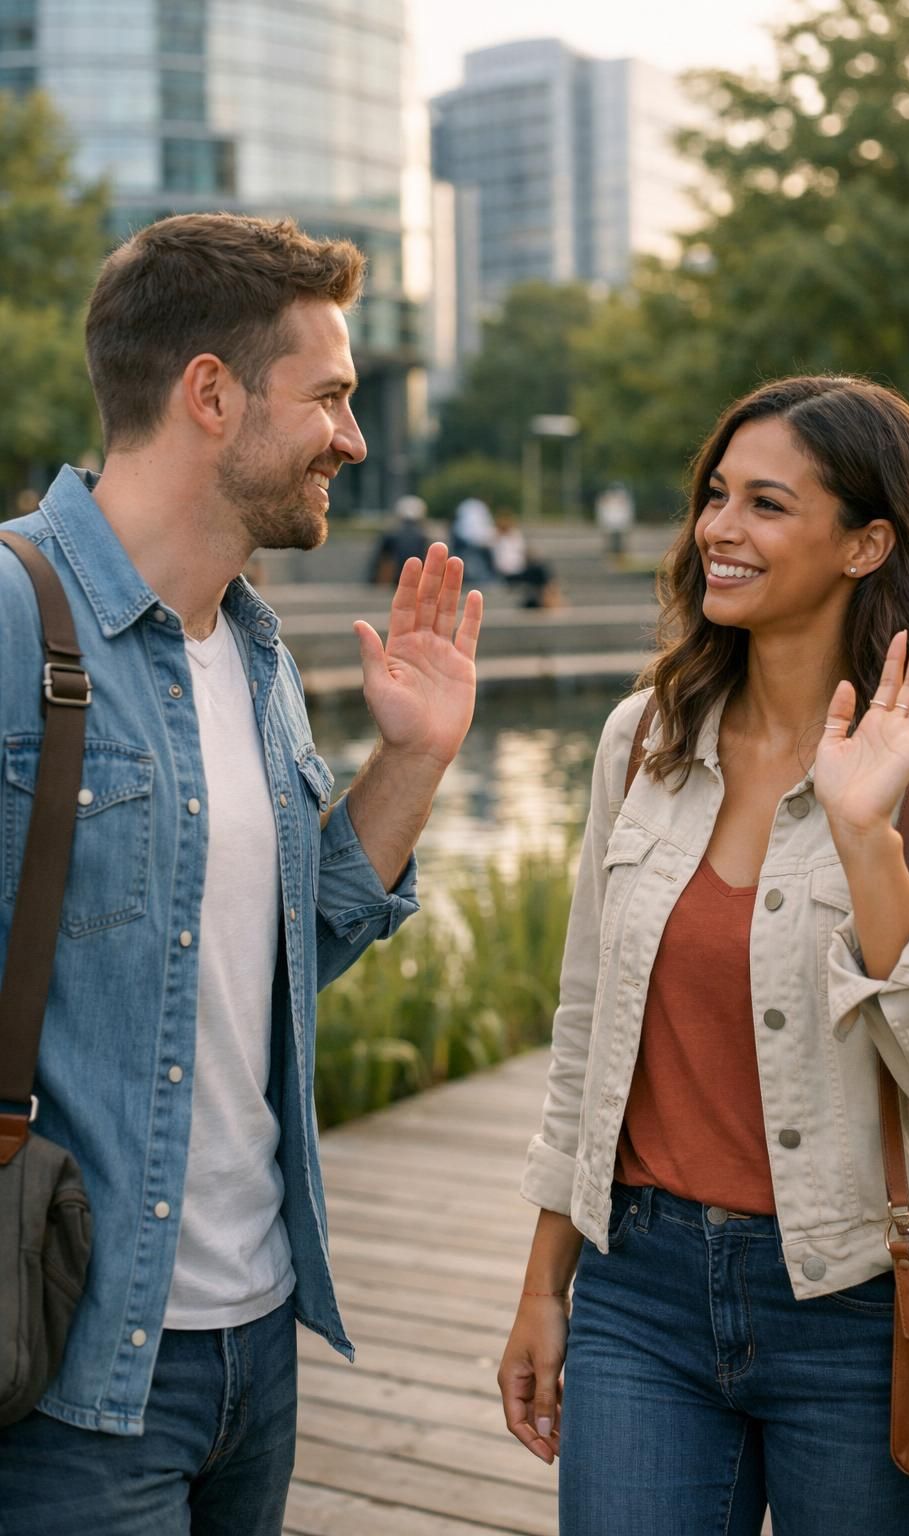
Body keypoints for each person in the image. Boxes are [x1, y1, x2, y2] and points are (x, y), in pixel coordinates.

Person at [0, 212, 482, 1534]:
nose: (355, 436)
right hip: (70, 1366)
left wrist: (414, 762)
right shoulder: (5, 621)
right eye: (330, 395)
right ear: (210, 394)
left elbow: (288, 952)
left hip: (256, 1345)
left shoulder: (254, 652)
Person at [498, 374, 909, 1534]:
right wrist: (547, 1287)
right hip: (638, 1289)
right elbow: (586, 1030)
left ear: (866, 541)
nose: (719, 531)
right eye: (716, 496)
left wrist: (864, 841)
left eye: (768, 505)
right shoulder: (645, 735)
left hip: (865, 1304)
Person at [492, 511, 560, 609]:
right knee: (541, 572)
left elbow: (524, 552)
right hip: (509, 574)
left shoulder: (515, 535)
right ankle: (551, 601)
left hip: (521, 569)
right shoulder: (495, 538)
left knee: (542, 570)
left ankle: (550, 599)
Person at [367, 494, 432, 586]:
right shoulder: (423, 536)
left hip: (394, 580)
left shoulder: (391, 534)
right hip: (415, 579)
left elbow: (381, 561)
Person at [450, 496, 496, 585]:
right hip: (469, 542)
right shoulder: (478, 508)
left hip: (466, 541)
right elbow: (476, 531)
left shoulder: (468, 506)